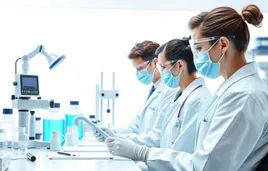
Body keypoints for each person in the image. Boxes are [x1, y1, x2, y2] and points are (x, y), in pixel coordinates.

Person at [106, 4, 268, 171]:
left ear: (223, 45)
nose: (195, 56)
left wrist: (143, 154)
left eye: (198, 48)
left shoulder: (243, 96)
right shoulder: (233, 90)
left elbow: (206, 167)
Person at [94, 41, 177, 142]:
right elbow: (137, 125)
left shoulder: (169, 91)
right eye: (136, 69)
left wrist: (117, 137)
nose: (138, 73)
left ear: (155, 63)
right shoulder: (154, 90)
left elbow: (157, 137)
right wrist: (112, 131)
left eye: (140, 68)